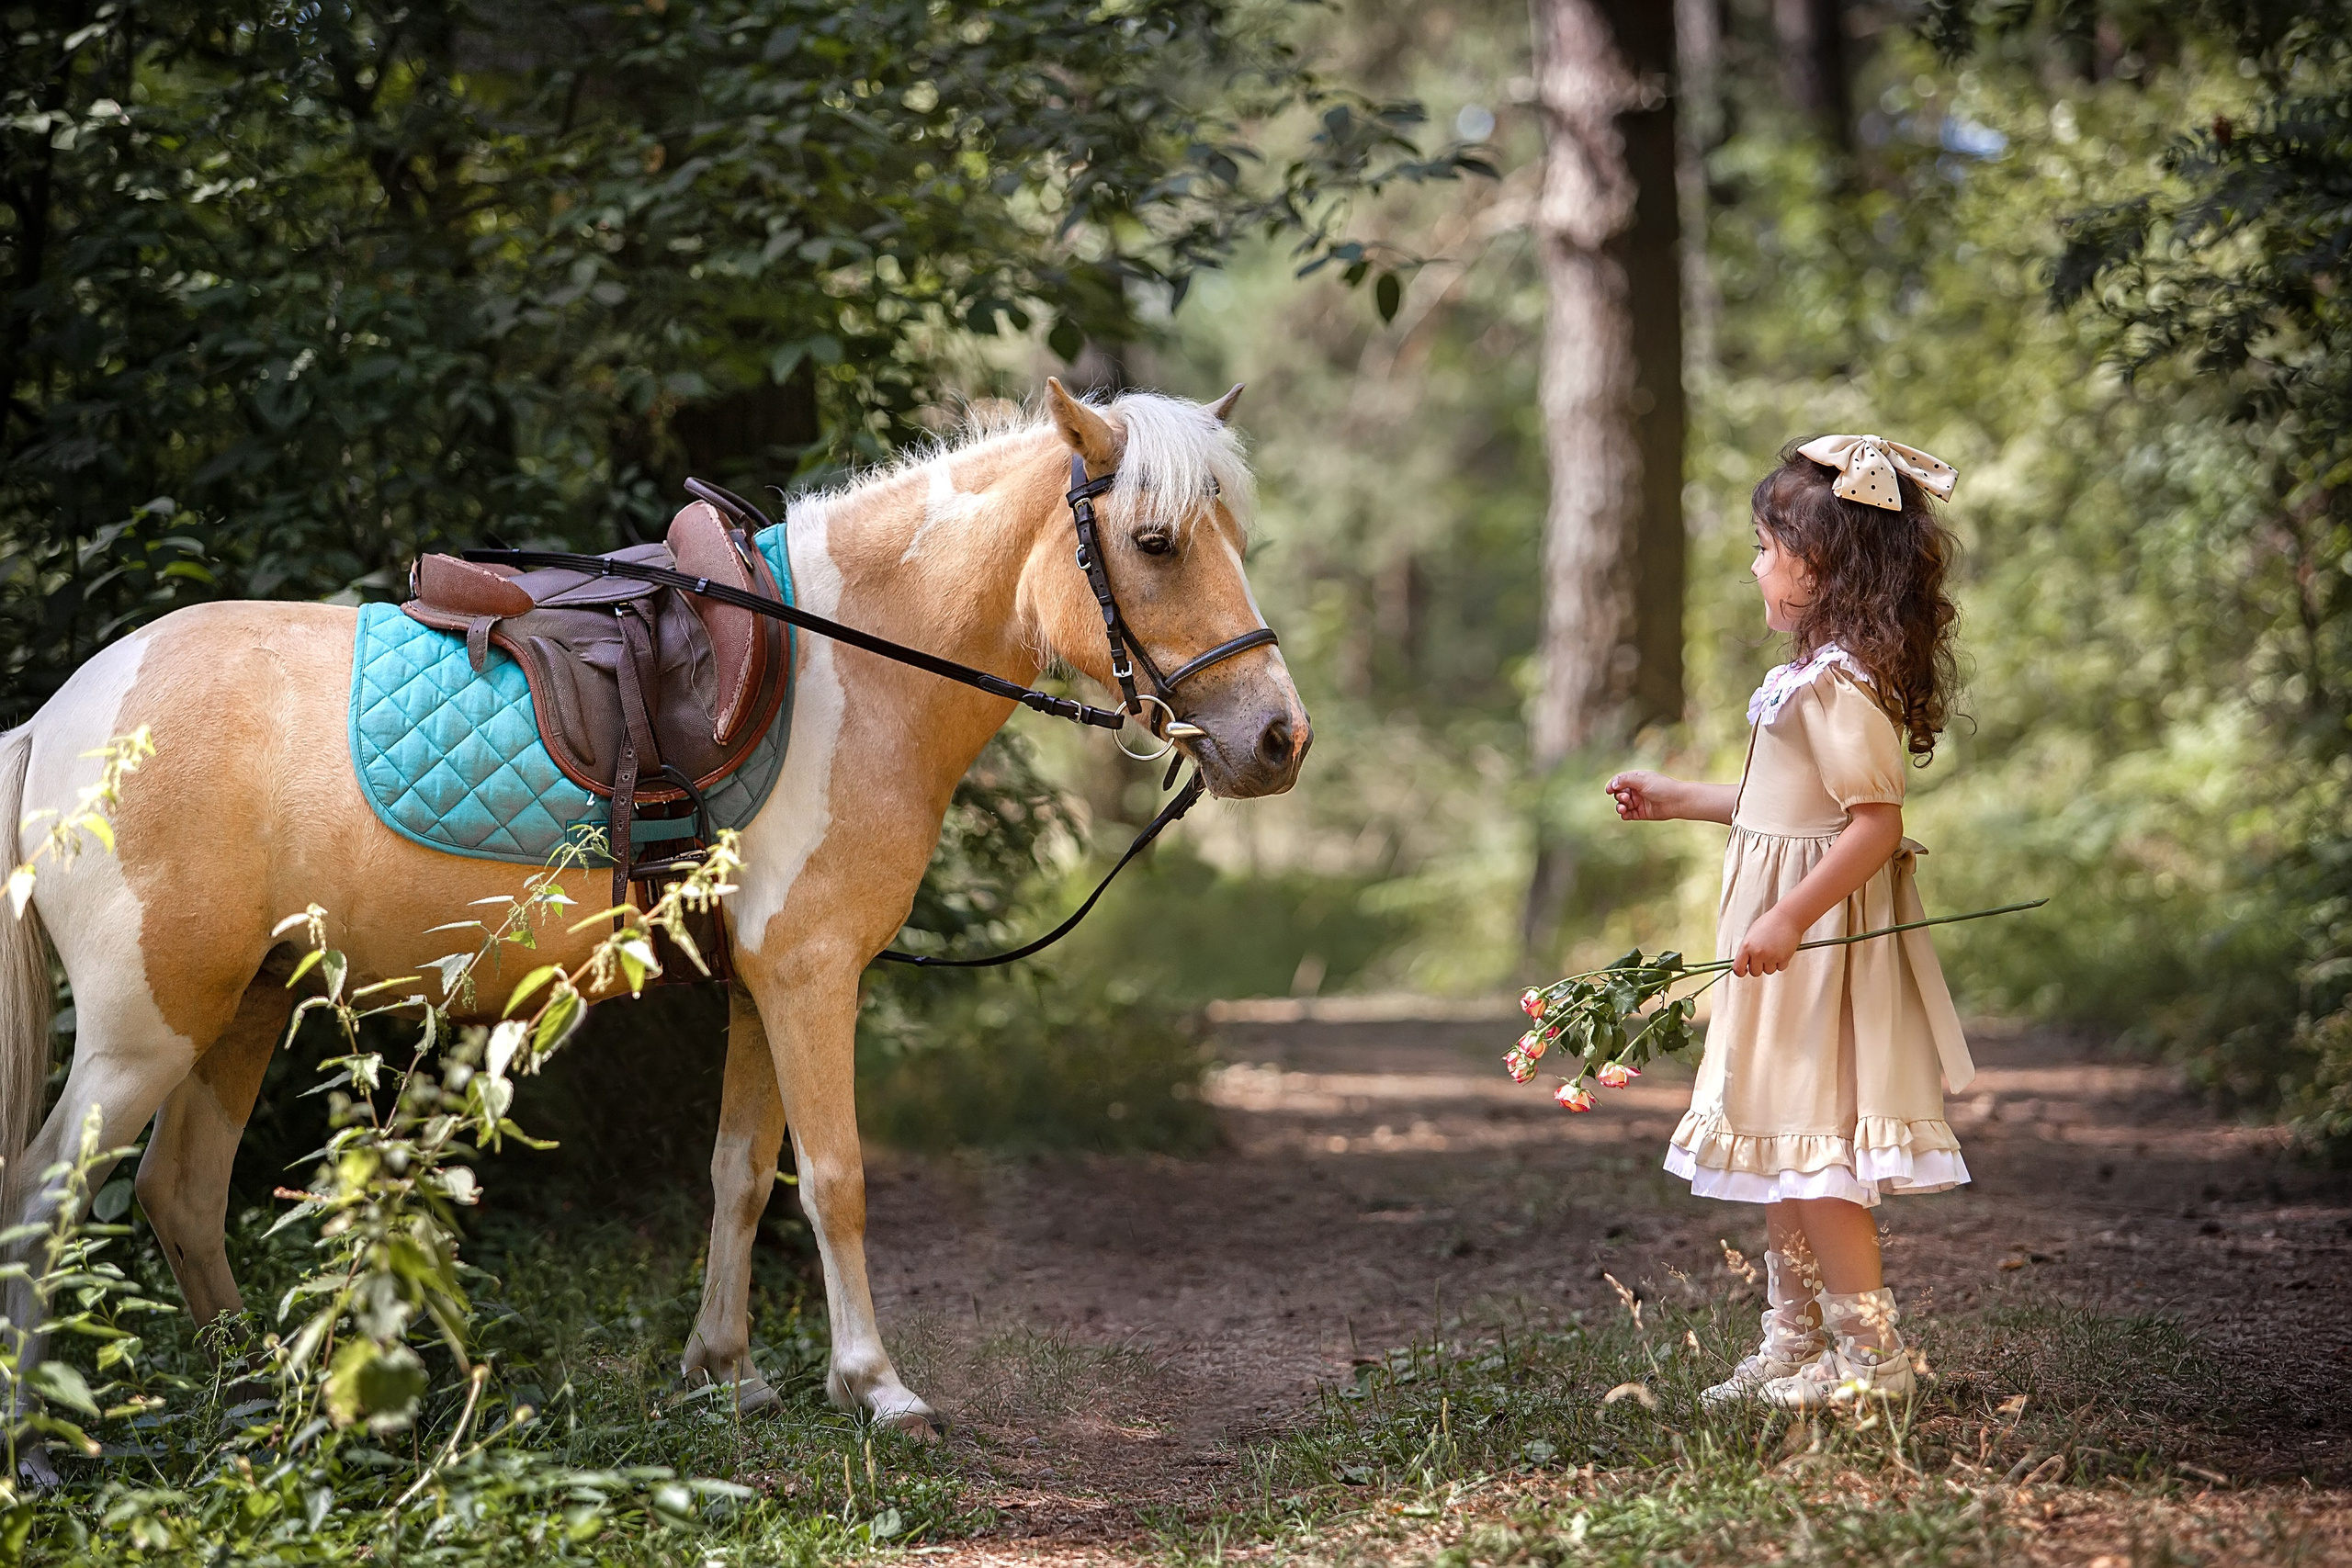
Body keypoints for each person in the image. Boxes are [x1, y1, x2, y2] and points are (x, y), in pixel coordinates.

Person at [1605, 434, 1973, 1409]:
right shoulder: (1810, 677)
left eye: (1767, 547)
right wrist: (1681, 797)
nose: (1755, 564)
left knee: (1816, 1153)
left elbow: (1873, 828)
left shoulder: (1842, 687)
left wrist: (1788, 919)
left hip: (1813, 958)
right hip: (1783, 953)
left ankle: (1870, 1357)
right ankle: (1793, 1339)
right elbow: (1784, 808)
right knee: (1782, 1145)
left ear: (1822, 566)